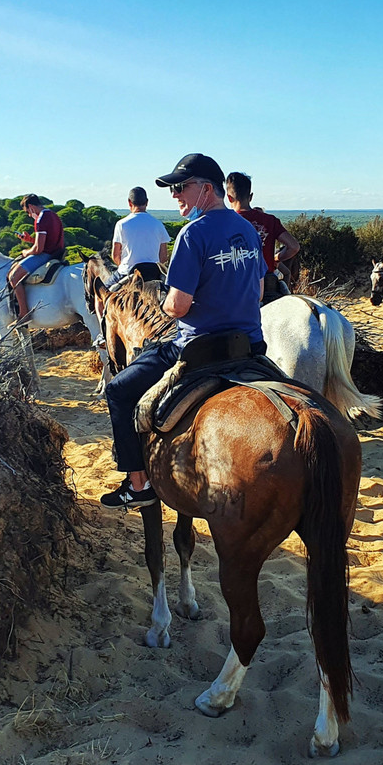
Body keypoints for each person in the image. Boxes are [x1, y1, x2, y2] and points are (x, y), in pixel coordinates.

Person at [100, 153, 267, 509]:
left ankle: (138, 485)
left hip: (199, 349)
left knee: (117, 390)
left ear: (206, 189)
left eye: (180, 187)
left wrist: (163, 305)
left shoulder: (194, 233)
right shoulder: (248, 229)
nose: (174, 195)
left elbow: (177, 307)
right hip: (249, 346)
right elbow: (261, 291)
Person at [225, 172, 300, 305]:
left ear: (229, 198)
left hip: (236, 288)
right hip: (267, 285)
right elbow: (294, 247)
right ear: (251, 196)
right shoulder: (270, 221)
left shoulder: (225, 223)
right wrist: (276, 259)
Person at [96, 187, 171, 318]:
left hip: (129, 273)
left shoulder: (121, 224)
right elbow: (163, 257)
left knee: (99, 296)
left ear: (129, 203)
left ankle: (104, 334)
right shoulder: (158, 224)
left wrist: (124, 264)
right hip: (154, 274)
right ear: (147, 202)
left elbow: (115, 255)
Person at [10, 194, 65, 322]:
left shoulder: (40, 219)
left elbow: (38, 250)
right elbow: (47, 240)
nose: (29, 215)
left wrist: (26, 252)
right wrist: (29, 239)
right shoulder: (53, 215)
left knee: (14, 277)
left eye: (27, 211)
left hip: (45, 255)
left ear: (31, 207)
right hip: (57, 253)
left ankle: (24, 314)